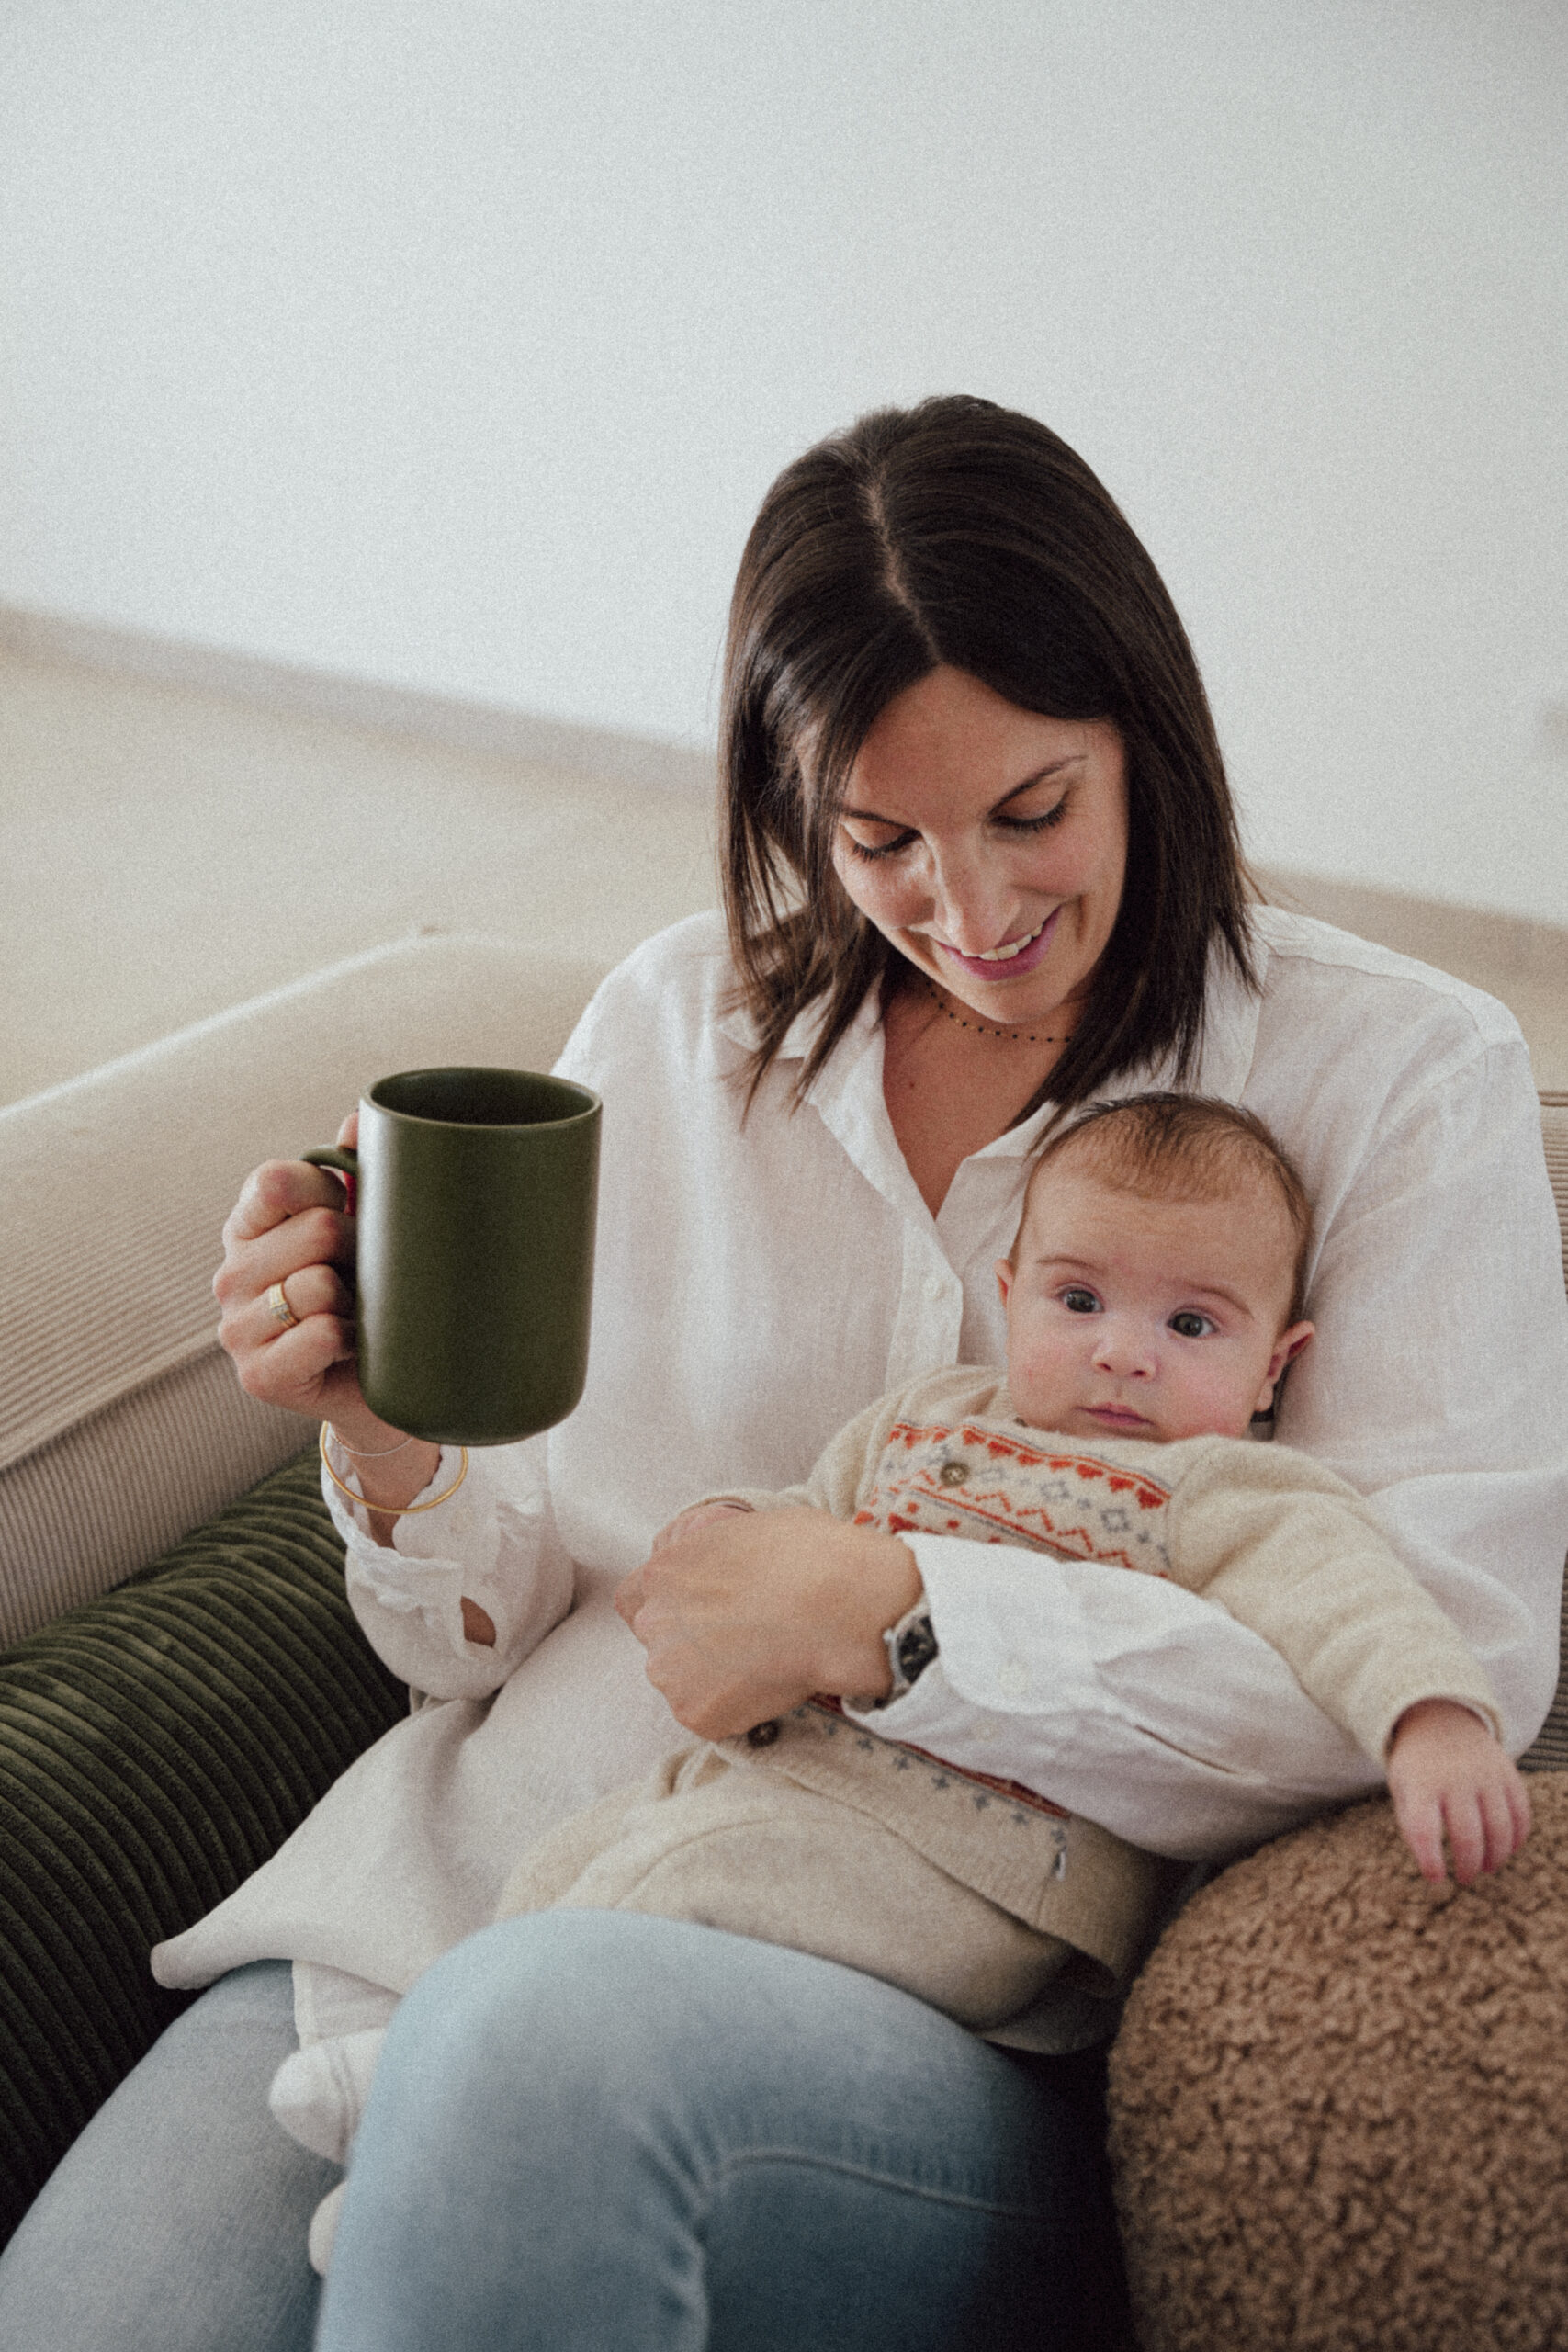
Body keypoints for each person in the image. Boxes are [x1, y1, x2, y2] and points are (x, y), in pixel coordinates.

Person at [1, 396, 1563, 2352]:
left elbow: (1448, 1654)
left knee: (532, 2053)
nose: (970, 912)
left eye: (1029, 811)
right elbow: (479, 1638)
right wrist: (389, 1428)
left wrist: (900, 1615)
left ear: (1143, 745)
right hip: (448, 1902)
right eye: (878, 837)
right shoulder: (675, 1020)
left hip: (912, 1999)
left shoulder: (1393, 1072)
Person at [268, 1092, 1529, 2276]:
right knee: (576, 1864)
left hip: (986, 1878)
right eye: (1079, 1299)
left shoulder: (1226, 1491)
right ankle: (431, 2112)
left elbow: (1350, 1602)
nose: (1123, 1357)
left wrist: (1429, 1717)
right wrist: (728, 1525)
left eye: (1191, 1325)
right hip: (770, 1785)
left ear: (1276, 1366)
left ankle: (441, 2092)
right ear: (1010, 1291)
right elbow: (813, 1521)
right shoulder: (923, 1419)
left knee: (673, 1892)